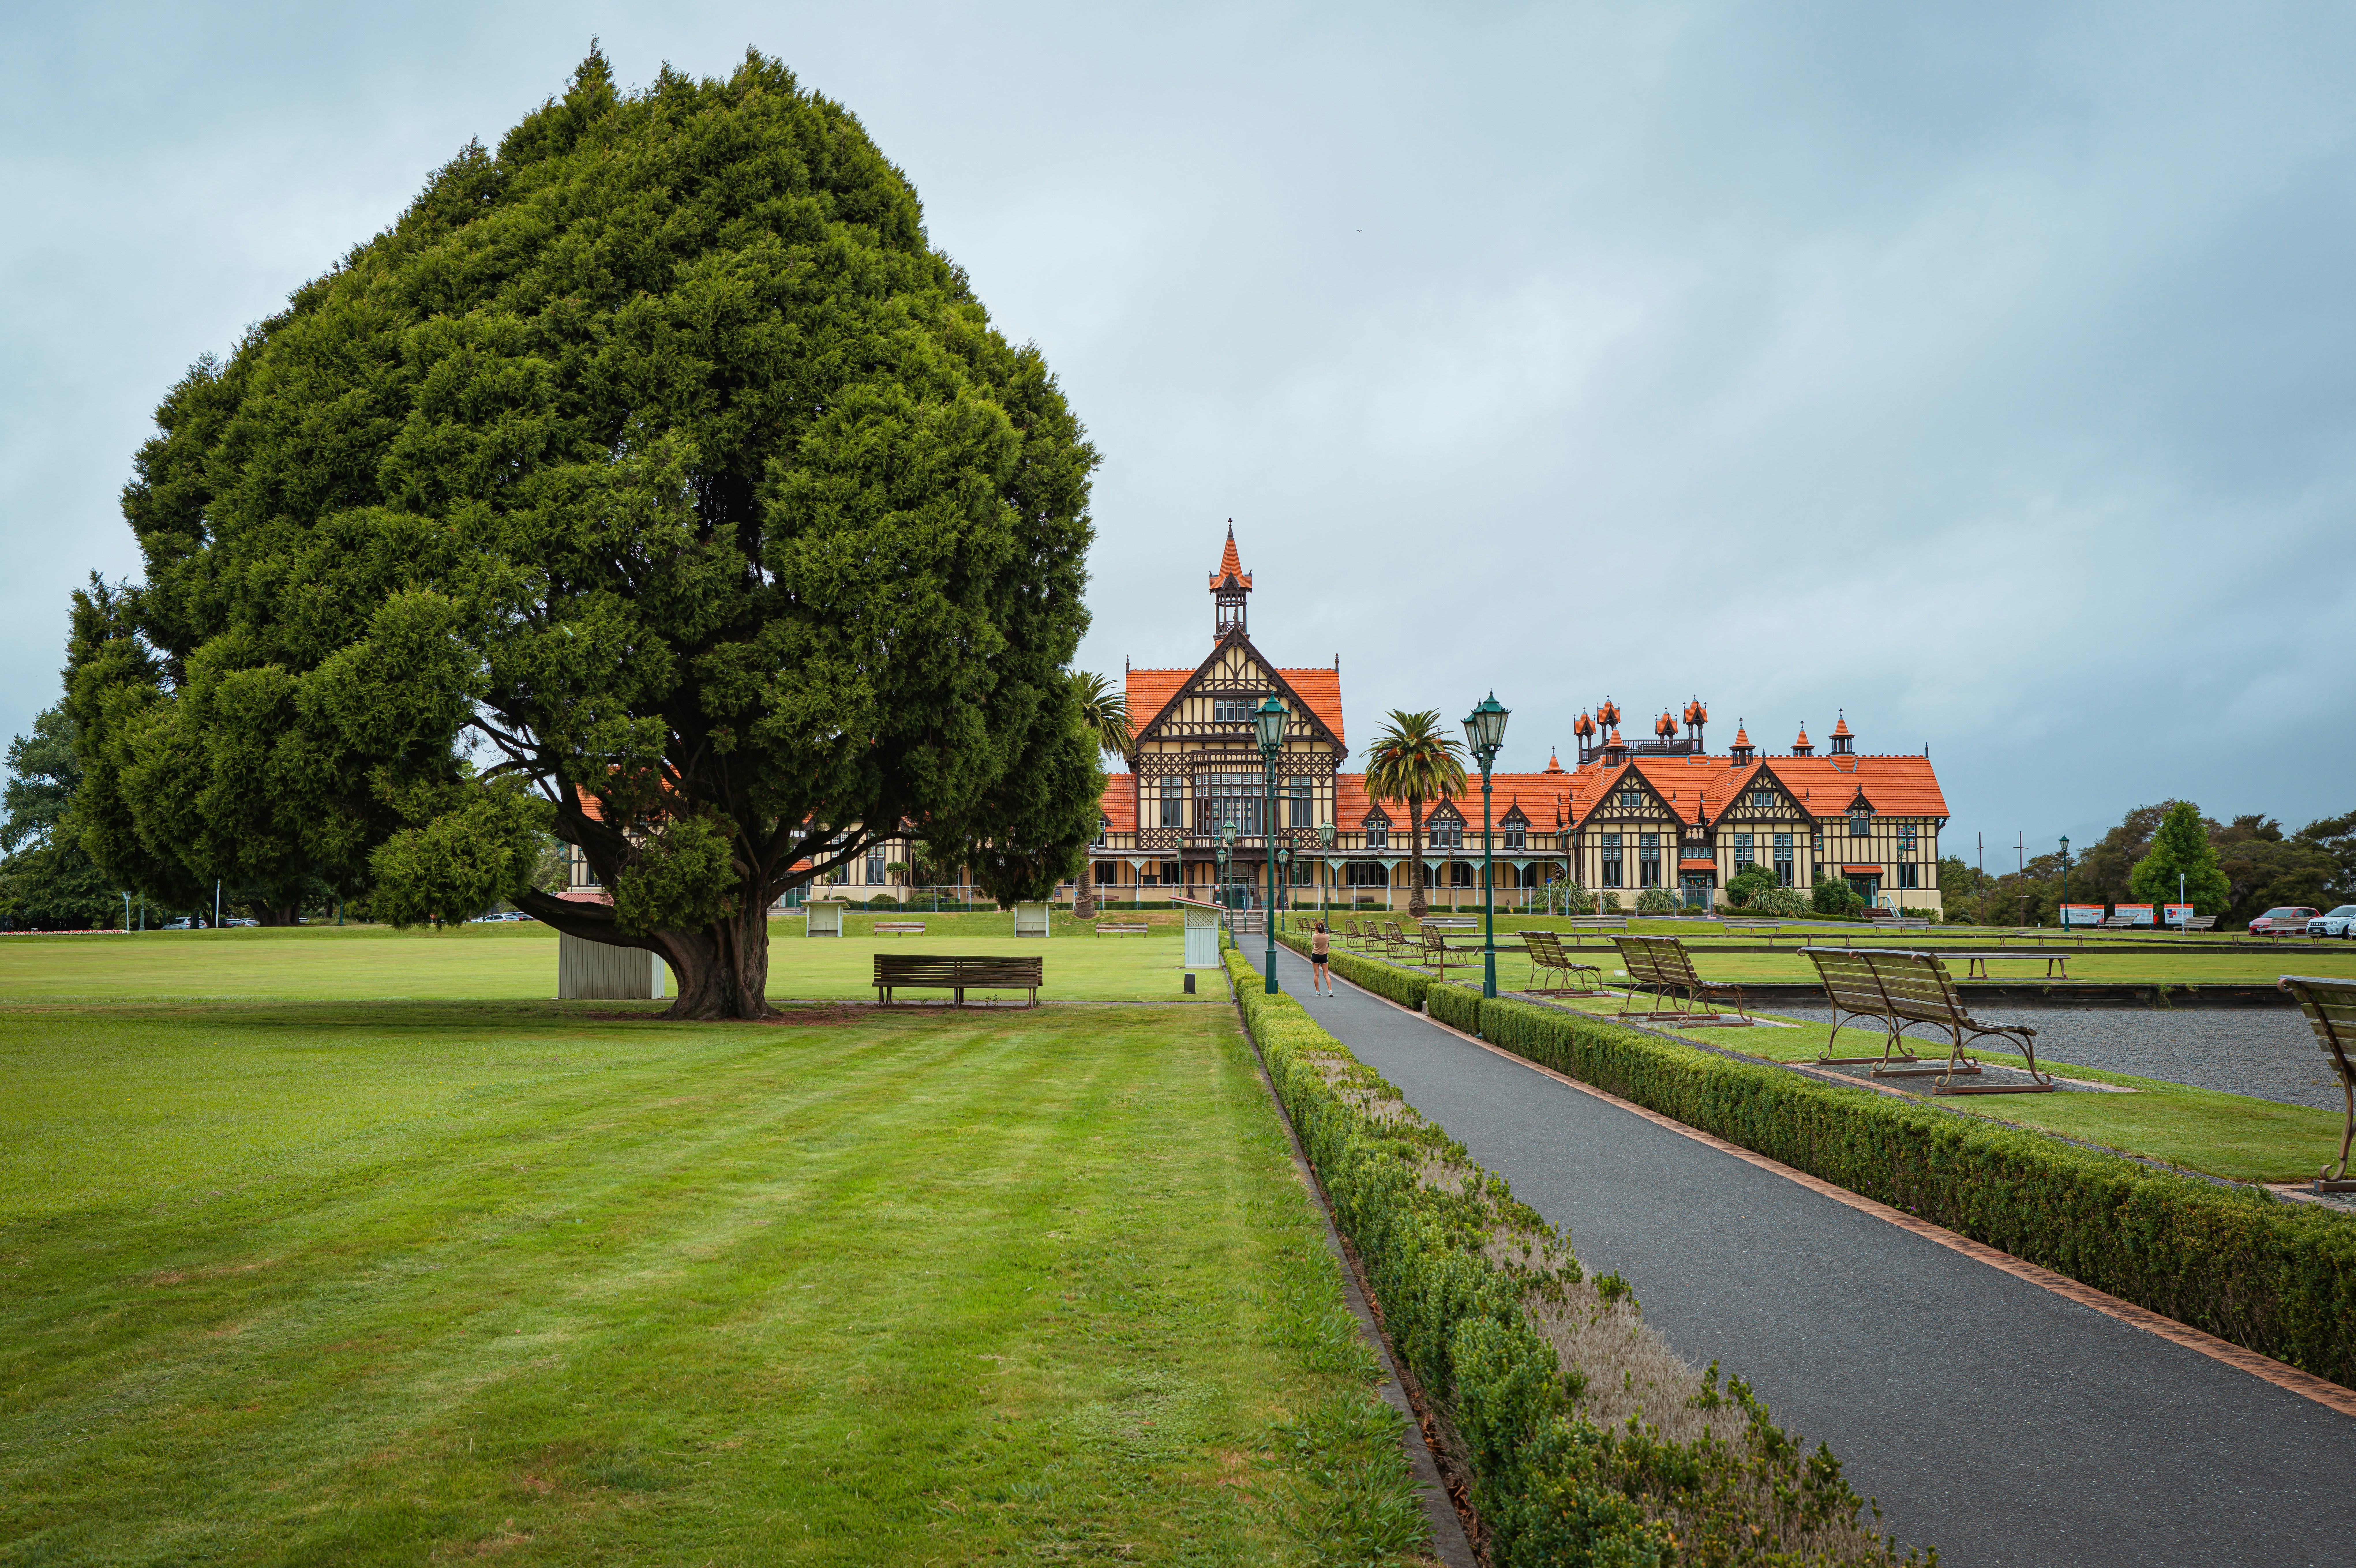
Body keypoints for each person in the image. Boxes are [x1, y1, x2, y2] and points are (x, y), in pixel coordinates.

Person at [1310, 920, 1332, 996]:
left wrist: (1316, 933)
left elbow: (1313, 943)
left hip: (1315, 956)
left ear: (1317, 930)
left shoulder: (1314, 937)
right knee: (1326, 974)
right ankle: (1330, 991)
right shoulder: (1327, 936)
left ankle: (1317, 991)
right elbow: (1327, 941)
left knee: (1316, 974)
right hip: (1324, 956)